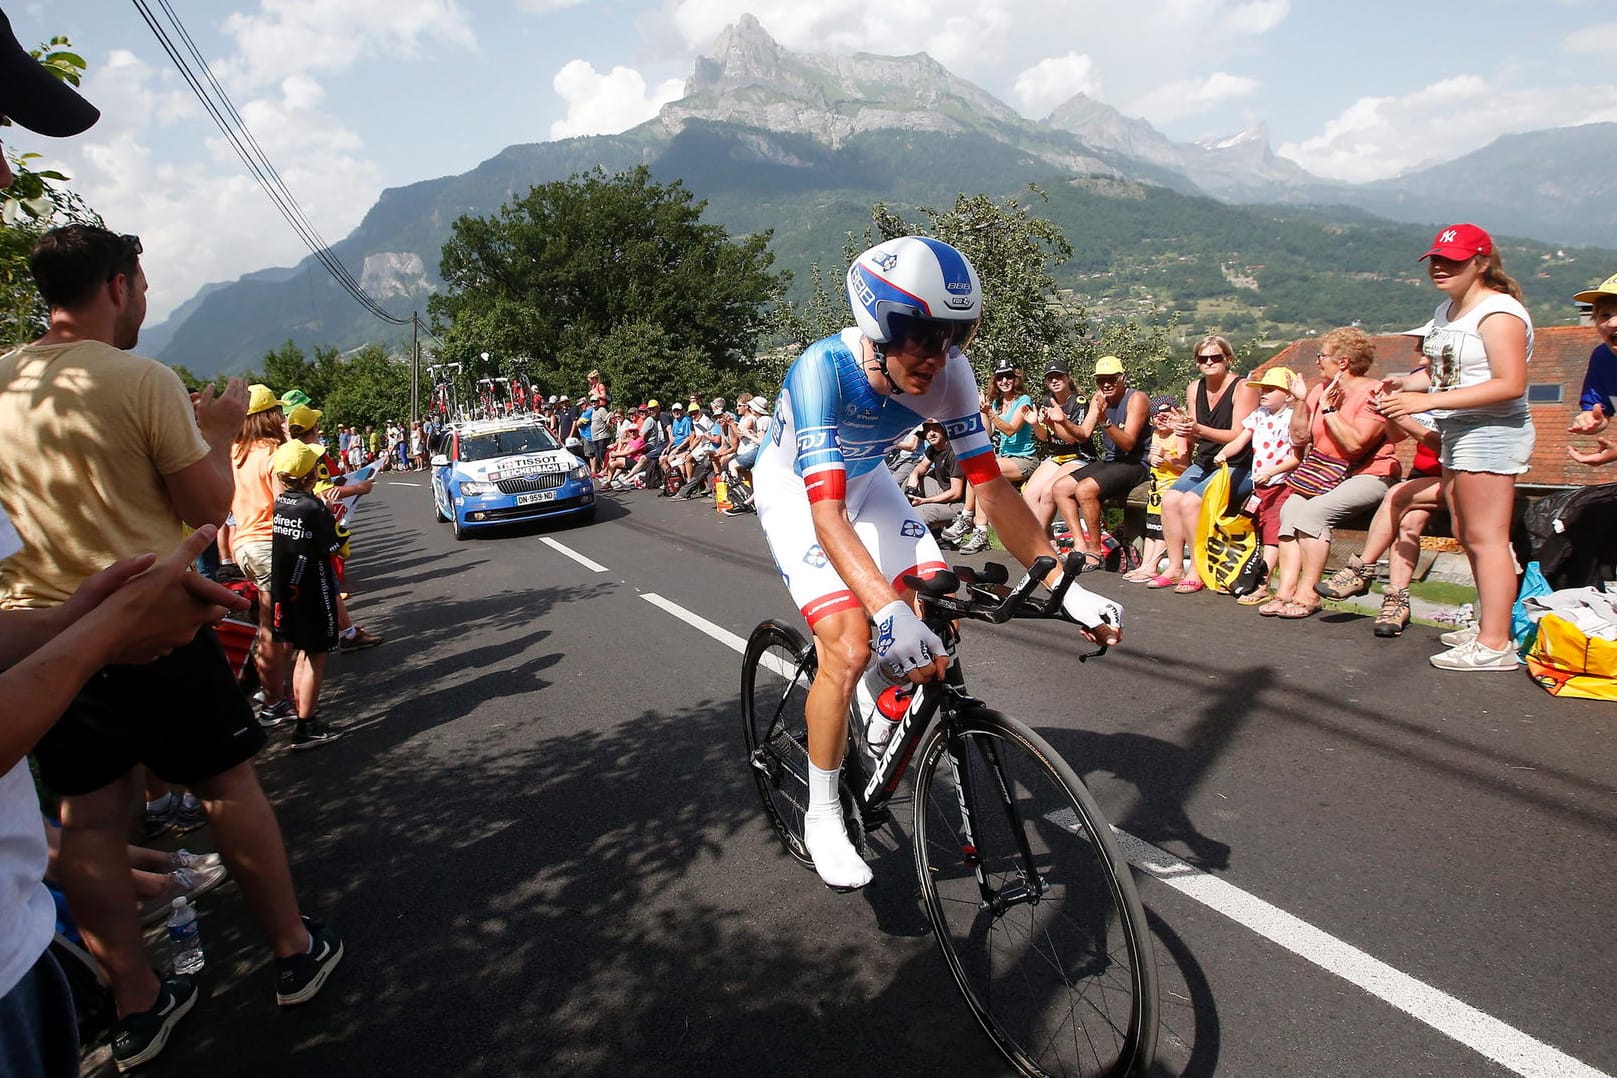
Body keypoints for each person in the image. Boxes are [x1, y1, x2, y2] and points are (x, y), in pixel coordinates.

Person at [0, 225, 344, 1071]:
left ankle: (137, 1001)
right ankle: (294, 951)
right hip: (159, 623)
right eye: (143, 287)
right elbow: (205, 511)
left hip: (49, 641)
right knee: (228, 784)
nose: (146, 301)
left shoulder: (1, 381)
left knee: (88, 817)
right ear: (117, 286)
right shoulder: (142, 379)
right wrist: (223, 429)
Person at [750, 235, 1122, 890]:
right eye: (920, 336)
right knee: (847, 642)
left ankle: (883, 708)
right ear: (876, 326)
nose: (936, 356)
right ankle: (824, 810)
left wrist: (1062, 585)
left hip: (870, 484)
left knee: (935, 600)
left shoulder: (949, 375)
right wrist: (885, 612)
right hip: (800, 494)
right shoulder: (821, 370)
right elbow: (827, 516)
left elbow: (991, 486)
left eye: (952, 337)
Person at [1376, 224, 1534, 670]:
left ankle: (1495, 643)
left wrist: (1427, 401)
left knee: (1487, 539)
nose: (1441, 268)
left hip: (1492, 432)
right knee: (1468, 534)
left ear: (1482, 262)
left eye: (1455, 260)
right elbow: (1444, 373)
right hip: (1459, 431)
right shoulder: (1448, 311)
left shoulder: (1499, 313)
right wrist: (1406, 383)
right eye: (1436, 260)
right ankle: (1490, 626)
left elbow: (1509, 384)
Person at [1258, 328, 1401, 619]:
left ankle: (1308, 593)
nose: (1317, 362)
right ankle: (1285, 591)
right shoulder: (1319, 389)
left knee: (1312, 515)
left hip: (1368, 474)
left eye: (1321, 356)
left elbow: (1354, 444)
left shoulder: (1372, 392)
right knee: (1289, 512)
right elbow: (1298, 438)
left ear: (1343, 362)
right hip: (1324, 474)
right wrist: (1301, 402)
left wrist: (1327, 411)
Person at [1152, 335, 1259, 591]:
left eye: (1216, 357)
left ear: (1228, 359)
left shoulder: (1243, 388)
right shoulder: (1194, 388)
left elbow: (1238, 435)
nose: (1209, 362)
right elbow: (1196, 431)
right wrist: (1184, 430)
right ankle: (1176, 566)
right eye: (1203, 358)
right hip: (1206, 461)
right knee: (1169, 500)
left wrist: (1197, 428)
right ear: (1197, 362)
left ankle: (1198, 568)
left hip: (1238, 464)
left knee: (1191, 502)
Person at [269, 441, 344, 749]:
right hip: (314, 588)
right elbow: (335, 545)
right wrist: (330, 511)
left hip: (288, 590)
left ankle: (304, 714)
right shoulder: (313, 508)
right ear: (310, 475)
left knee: (302, 652)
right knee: (316, 655)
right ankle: (306, 724)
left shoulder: (280, 503)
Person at [229, 384, 293, 724]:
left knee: (270, 624)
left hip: (244, 544)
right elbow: (285, 506)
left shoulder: (235, 453)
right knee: (278, 628)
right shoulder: (273, 452)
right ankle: (275, 699)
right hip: (270, 543)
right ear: (269, 415)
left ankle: (271, 692)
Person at [1214, 367, 1302, 605]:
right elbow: (1241, 440)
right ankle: (1247, 577)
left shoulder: (1293, 418)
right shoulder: (1259, 415)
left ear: (1288, 394)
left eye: (1271, 389)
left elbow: (1296, 457)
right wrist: (1224, 452)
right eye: (1262, 388)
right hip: (1260, 486)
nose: (1263, 393)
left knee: (1273, 535)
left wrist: (1271, 472)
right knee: (1258, 531)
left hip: (1280, 484)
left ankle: (1263, 584)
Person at [1049, 356, 1149, 559]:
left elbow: (1128, 444)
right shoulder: (1098, 398)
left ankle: (1095, 552)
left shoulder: (1136, 398)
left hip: (1135, 462)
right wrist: (1064, 422)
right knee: (1060, 488)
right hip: (1111, 460)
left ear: (1122, 377)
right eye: (1100, 380)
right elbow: (1083, 433)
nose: (1106, 384)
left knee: (1085, 489)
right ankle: (1080, 545)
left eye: (1111, 379)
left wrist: (1104, 420)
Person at [1021, 357, 1094, 530]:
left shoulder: (1079, 403)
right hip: (1056, 456)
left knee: (1048, 492)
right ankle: (1049, 540)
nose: (1054, 381)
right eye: (1050, 378)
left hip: (1079, 456)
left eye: (1059, 376)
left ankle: (1039, 539)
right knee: (1029, 494)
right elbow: (1044, 436)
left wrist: (1055, 422)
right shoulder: (1047, 402)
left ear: (1068, 378)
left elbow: (1072, 439)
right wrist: (1035, 424)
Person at [1125, 397, 1191, 583]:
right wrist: (1153, 458)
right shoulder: (1156, 434)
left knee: (1163, 529)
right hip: (1156, 490)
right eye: (1155, 416)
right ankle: (1145, 564)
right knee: (1152, 528)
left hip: (1171, 488)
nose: (1160, 420)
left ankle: (1152, 566)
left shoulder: (1178, 435)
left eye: (1165, 415)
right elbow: (1154, 454)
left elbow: (1185, 465)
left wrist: (1164, 456)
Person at [1567, 273, 1617, 466]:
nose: (1613, 324)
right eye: (1605, 315)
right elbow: (1600, 412)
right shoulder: (1602, 359)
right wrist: (1591, 420)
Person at [906, 418, 967, 531]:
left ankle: (942, 533)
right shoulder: (933, 448)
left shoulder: (954, 452)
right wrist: (914, 475)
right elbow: (922, 466)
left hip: (957, 505)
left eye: (935, 429)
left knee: (914, 515)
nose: (931, 433)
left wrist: (924, 501)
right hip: (943, 493)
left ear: (944, 430)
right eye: (928, 430)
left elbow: (956, 493)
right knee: (911, 481)